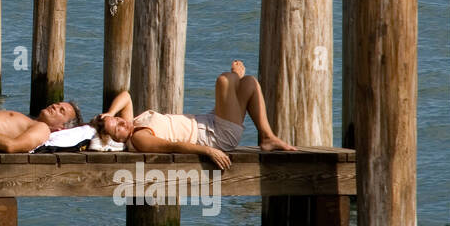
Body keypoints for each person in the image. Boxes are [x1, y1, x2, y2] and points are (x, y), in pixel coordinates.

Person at [91, 60, 296, 171]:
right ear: (116, 141)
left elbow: (126, 97)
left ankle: (268, 137)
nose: (121, 124)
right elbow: (174, 147)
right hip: (216, 137)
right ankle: (236, 76)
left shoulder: (132, 123)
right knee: (225, 81)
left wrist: (109, 113)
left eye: (118, 120)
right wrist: (209, 151)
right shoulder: (138, 138)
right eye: (116, 129)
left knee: (250, 83)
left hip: (208, 122)